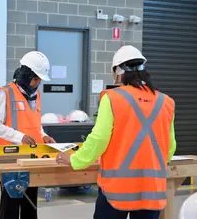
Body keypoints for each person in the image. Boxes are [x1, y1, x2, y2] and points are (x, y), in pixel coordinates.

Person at [56, 45, 177, 219]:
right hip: (152, 191)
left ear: (118, 72)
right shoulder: (166, 102)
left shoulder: (112, 98)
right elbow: (170, 147)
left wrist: (76, 160)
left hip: (116, 191)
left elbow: (99, 139)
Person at [0, 51, 56, 219]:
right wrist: (20, 137)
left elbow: (35, 123)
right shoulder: (7, 93)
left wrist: (44, 135)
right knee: (11, 206)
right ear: (25, 75)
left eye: (40, 79)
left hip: (32, 158)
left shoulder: (37, 95)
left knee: (30, 206)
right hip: (11, 159)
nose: (38, 83)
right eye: (36, 79)